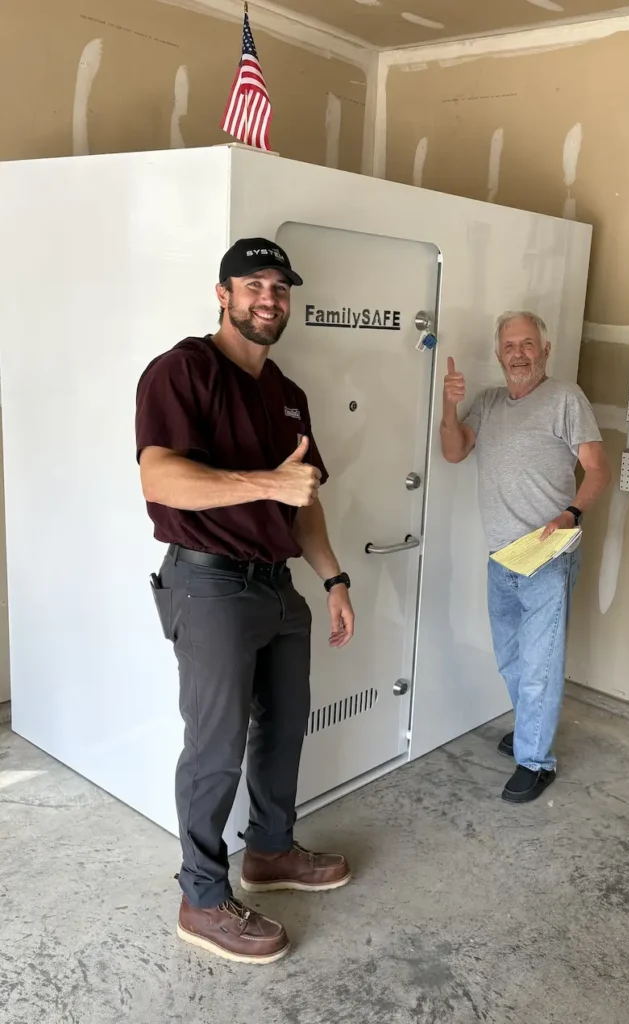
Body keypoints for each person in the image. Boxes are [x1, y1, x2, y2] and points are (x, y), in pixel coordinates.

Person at [135, 237, 354, 965]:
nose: (270, 298)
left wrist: (332, 577)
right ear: (223, 294)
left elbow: (305, 502)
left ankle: (269, 853)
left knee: (284, 728)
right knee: (216, 748)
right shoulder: (183, 371)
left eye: (281, 288)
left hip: (276, 585)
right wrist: (266, 482)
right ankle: (202, 897)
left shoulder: (286, 390)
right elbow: (161, 479)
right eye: (253, 285)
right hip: (210, 583)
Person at [440, 311, 611, 805]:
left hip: (547, 555)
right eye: (510, 345)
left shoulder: (564, 398)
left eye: (528, 343)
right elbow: (454, 452)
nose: (519, 352)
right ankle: (530, 730)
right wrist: (450, 408)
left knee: (539, 663)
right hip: (502, 556)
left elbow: (597, 467)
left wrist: (572, 513)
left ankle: (536, 760)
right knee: (513, 658)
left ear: (545, 349)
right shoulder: (490, 402)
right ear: (499, 354)